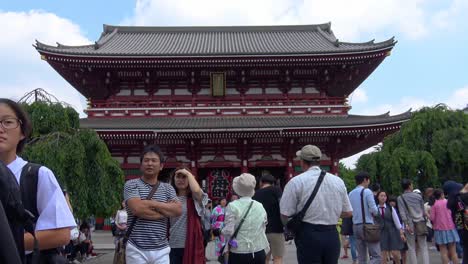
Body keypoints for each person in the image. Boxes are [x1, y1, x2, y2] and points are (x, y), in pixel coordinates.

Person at [0, 98, 76, 263]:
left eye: (7, 122)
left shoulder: (36, 175)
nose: (1, 129)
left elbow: (61, 234)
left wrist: (8, 243)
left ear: (22, 132)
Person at [280, 144, 353, 264]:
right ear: (319, 161)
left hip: (308, 234)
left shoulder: (295, 182)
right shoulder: (338, 181)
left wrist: (291, 227)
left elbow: (285, 213)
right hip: (332, 234)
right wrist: (330, 213)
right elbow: (348, 212)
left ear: (302, 162)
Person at [124, 144, 182, 264]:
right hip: (136, 247)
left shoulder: (168, 188)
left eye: (154, 160)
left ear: (161, 166)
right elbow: (138, 209)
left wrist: (151, 203)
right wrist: (165, 211)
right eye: (146, 160)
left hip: (162, 249)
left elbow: (177, 210)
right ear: (141, 165)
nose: (150, 163)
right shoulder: (131, 184)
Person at [222, 173, 269, 263]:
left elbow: (229, 231)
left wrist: (220, 231)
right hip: (258, 250)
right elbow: (263, 226)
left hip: (239, 251)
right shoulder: (260, 206)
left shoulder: (232, 206)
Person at [169, 167, 208, 264]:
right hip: (172, 245)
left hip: (191, 245)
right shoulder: (169, 198)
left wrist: (189, 173)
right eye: (178, 177)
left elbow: (195, 190)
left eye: (184, 177)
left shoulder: (195, 199)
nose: (181, 180)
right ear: (173, 179)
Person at [348, 172, 381, 264]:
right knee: (376, 256)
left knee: (362, 257)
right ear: (365, 180)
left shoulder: (351, 193)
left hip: (355, 226)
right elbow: (374, 210)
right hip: (367, 226)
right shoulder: (367, 191)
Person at [252, 174, 285, 264]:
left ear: (261, 182)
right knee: (277, 257)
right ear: (273, 183)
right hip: (276, 229)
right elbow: (283, 206)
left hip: (261, 230)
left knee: (264, 258)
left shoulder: (255, 194)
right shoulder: (277, 190)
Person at [397, 179, 429, 264]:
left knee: (411, 247)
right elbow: (423, 210)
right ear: (410, 186)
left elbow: (402, 213)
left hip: (409, 224)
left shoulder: (400, 198)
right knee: (423, 246)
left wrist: (406, 223)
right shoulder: (418, 196)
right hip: (420, 222)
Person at [430, 189, 460, 264]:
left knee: (443, 252)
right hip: (451, 228)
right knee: (453, 252)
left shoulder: (434, 204)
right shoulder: (448, 202)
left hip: (439, 230)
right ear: (442, 194)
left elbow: (432, 218)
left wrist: (427, 215)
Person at [376, 190, 405, 264]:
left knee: (395, 253)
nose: (383, 197)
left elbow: (397, 221)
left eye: (384, 196)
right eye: (381, 196)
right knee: (383, 254)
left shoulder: (390, 208)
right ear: (378, 197)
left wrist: (401, 232)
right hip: (381, 232)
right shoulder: (375, 208)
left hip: (392, 231)